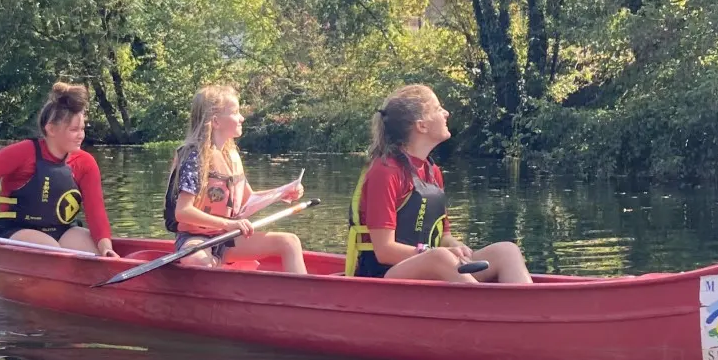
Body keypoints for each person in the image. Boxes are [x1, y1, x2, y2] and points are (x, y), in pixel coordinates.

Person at [345, 85, 533, 283]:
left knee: (507, 251)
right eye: (437, 109)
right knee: (439, 257)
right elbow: (385, 251)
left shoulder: (432, 172)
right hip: (383, 276)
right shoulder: (385, 171)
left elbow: (444, 236)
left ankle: (526, 309)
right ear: (422, 125)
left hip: (434, 264)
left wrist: (457, 247)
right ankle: (485, 308)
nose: (446, 113)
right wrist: (436, 253)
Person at [0, 82, 117, 257]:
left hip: (63, 230)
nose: (81, 135)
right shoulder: (24, 153)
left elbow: (96, 213)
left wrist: (106, 247)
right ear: (51, 129)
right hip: (15, 229)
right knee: (53, 253)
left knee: (94, 256)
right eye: (74, 130)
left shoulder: (85, 163)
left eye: (82, 129)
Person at [164, 85, 307, 273]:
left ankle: (304, 299)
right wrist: (228, 224)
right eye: (236, 112)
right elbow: (183, 212)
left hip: (227, 237)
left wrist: (283, 193)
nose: (242, 118)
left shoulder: (231, 154)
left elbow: (248, 199)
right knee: (202, 262)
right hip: (195, 238)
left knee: (290, 242)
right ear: (216, 121)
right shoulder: (195, 157)